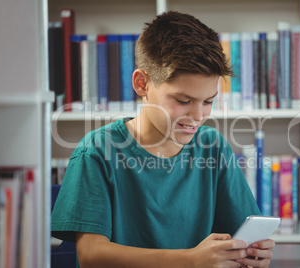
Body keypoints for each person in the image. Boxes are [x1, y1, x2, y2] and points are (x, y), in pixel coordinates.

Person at [51, 11, 275, 268]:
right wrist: (191, 260)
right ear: (142, 84)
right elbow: (92, 256)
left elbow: (243, 234)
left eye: (208, 101)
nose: (198, 115)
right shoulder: (98, 151)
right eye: (183, 101)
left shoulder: (213, 147)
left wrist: (253, 252)